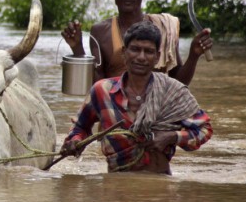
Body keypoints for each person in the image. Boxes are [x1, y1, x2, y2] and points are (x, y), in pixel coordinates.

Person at [59, 21, 213, 174]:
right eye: (135, 49)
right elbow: (81, 127)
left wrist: (171, 137)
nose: (141, 57)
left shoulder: (172, 91)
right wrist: (75, 142)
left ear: (157, 56)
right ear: (124, 53)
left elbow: (204, 130)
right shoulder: (102, 91)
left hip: (160, 182)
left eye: (148, 51)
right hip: (115, 184)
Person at [61, 0, 212, 85]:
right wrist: (77, 48)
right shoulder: (100, 31)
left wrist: (193, 55)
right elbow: (97, 86)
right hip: (117, 111)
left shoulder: (164, 27)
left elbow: (179, 83)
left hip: (157, 109)